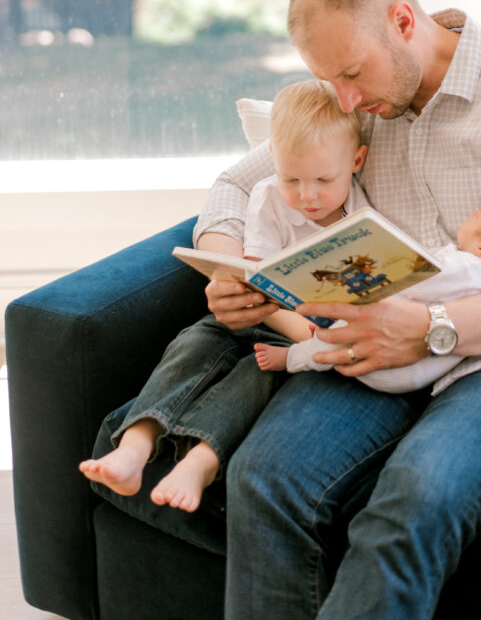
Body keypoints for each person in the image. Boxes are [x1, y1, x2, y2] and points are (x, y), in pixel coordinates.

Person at [195, 0, 481, 620]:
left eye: (349, 73)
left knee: (415, 497)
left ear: (403, 22)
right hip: (377, 338)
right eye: (324, 80)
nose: (344, 100)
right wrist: (231, 268)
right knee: (266, 480)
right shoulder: (360, 101)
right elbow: (234, 186)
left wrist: (433, 329)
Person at [79, 77, 368, 512]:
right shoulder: (268, 196)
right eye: (292, 178)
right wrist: (267, 308)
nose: (307, 196)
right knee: (194, 342)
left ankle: (201, 461)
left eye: (324, 180)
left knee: (257, 375)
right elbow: (255, 274)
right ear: (272, 160)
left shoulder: (364, 216)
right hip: (267, 313)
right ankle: (135, 445)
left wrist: (310, 335)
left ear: (357, 161)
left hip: (314, 336)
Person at [255, 197, 481, 394]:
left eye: (480, 214)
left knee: (329, 343)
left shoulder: (469, 268)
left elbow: (415, 279)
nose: (473, 211)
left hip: (390, 366)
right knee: (337, 331)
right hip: (411, 373)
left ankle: (292, 358)